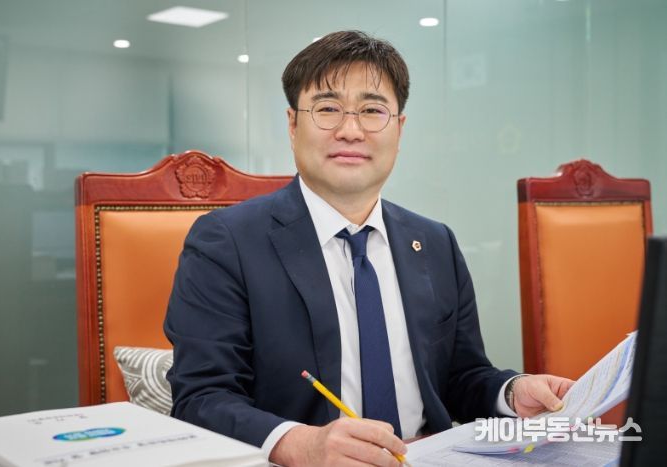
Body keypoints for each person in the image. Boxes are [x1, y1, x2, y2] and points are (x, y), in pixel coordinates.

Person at [164, 30, 574, 466]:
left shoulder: (435, 243)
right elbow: (201, 398)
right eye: (327, 109)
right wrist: (301, 444)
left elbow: (461, 377)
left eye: (372, 110)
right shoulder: (226, 242)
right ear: (292, 124)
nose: (350, 130)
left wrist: (511, 393)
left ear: (399, 128)